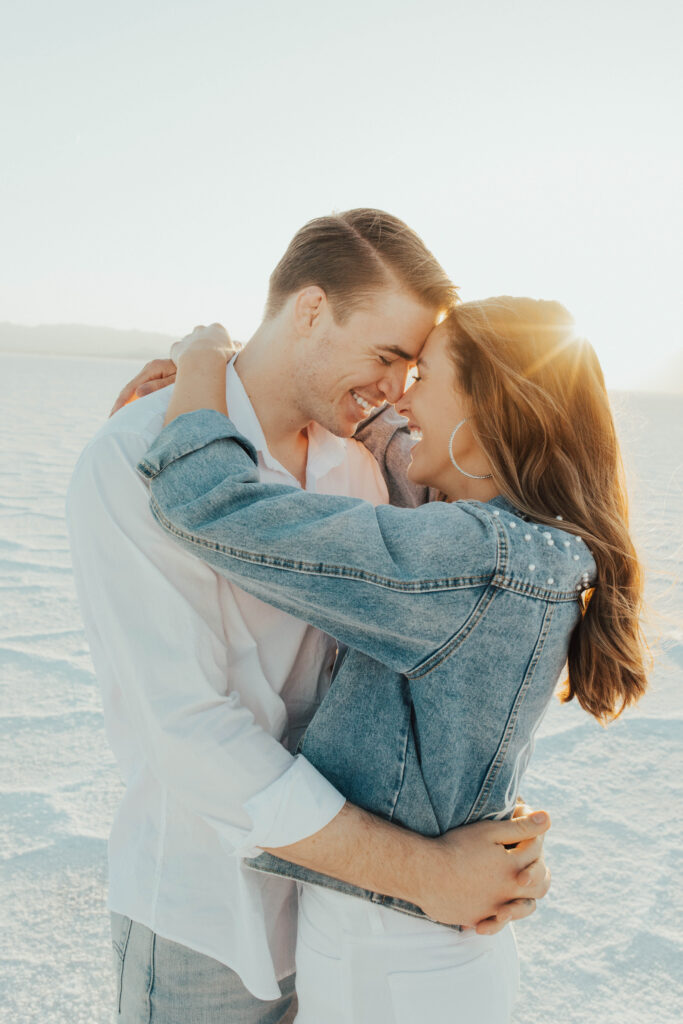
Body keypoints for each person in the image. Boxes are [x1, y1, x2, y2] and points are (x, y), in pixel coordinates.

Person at [66, 210, 551, 1024]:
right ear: (311, 310)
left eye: (413, 369)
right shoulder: (131, 456)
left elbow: (461, 647)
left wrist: (498, 840)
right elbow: (188, 732)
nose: (396, 391)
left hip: (345, 928)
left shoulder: (361, 461)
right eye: (387, 356)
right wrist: (430, 875)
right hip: (206, 923)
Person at [133, 295, 648, 1023]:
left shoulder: (473, 564)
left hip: (390, 966)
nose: (403, 397)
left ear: (486, 409)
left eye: (424, 376)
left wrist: (202, 365)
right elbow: (403, 466)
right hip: (419, 954)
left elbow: (210, 504)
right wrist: (266, 388)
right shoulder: (534, 548)